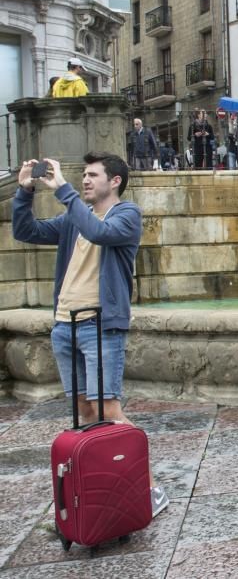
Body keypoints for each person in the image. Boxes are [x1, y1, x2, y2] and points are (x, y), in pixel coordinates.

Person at [12, 152, 169, 518]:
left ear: (114, 181)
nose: (84, 180)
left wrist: (63, 189)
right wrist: (24, 192)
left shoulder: (126, 215)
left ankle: (150, 489)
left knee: (108, 409)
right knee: (83, 411)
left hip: (100, 325)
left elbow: (100, 233)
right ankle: (98, 489)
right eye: (82, 175)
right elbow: (27, 231)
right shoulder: (73, 219)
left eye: (92, 175)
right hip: (65, 325)